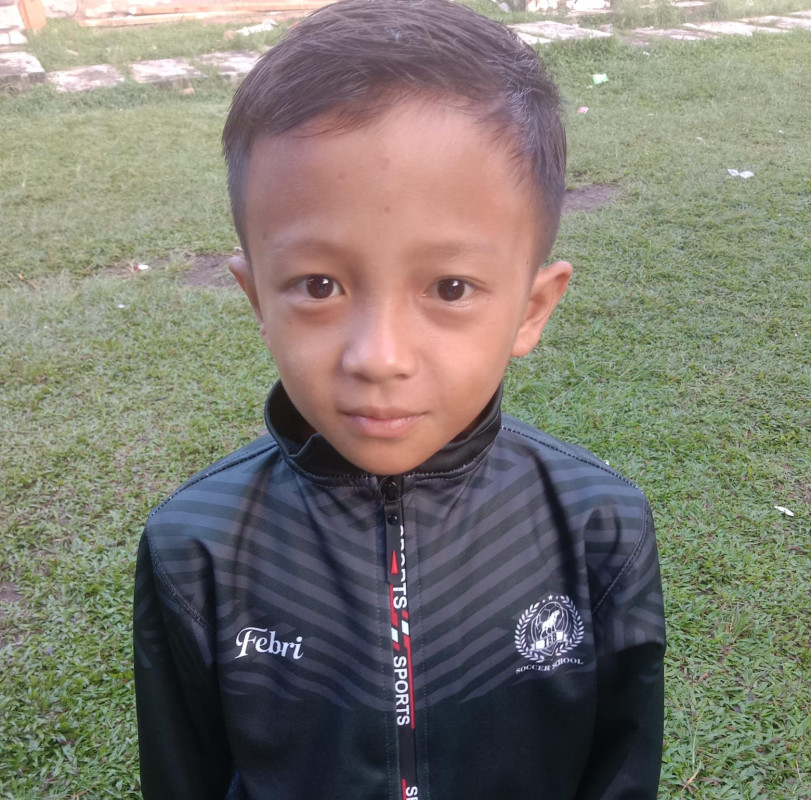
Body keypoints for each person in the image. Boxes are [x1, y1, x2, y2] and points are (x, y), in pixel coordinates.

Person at [133, 0, 666, 797]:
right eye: (319, 285)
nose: (378, 357)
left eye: (449, 287)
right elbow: (185, 776)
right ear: (256, 299)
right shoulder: (196, 547)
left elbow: (621, 764)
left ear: (531, 309)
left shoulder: (597, 525)